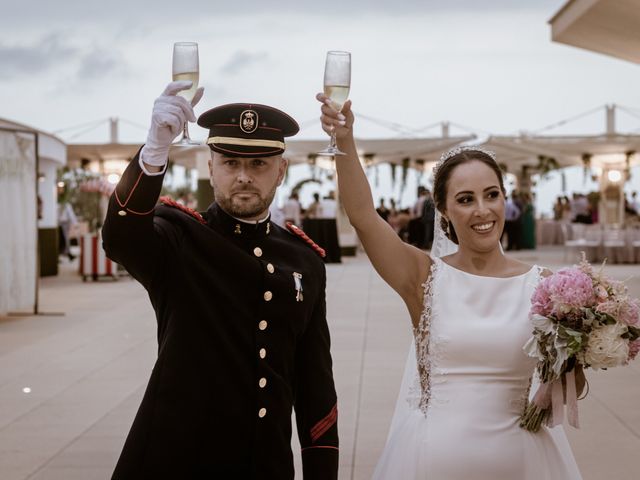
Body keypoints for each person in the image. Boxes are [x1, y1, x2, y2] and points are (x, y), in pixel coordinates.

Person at [317, 92, 583, 479]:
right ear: (443, 210)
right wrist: (345, 138)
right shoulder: (423, 277)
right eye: (465, 199)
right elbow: (362, 216)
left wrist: (567, 374)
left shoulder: (544, 286)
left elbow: (571, 382)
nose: (482, 210)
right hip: (432, 461)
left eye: (492, 195)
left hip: (522, 462)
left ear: (504, 199)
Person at [102, 81, 339, 479]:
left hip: (265, 465)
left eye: (258, 164)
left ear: (281, 170)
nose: (243, 176)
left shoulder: (305, 260)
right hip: (177, 460)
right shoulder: (179, 239)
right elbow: (121, 237)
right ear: (210, 167)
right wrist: (152, 155)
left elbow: (316, 387)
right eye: (230, 163)